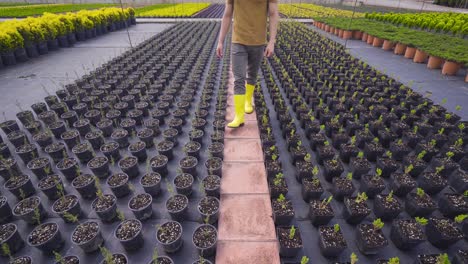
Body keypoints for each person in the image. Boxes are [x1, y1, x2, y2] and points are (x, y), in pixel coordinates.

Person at [216, 0, 279, 128]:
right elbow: (227, 14)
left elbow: (273, 14)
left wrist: (272, 41)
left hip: (258, 41)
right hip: (238, 40)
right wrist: (220, 41)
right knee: (239, 78)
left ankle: (248, 100)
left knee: (252, 74)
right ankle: (239, 116)